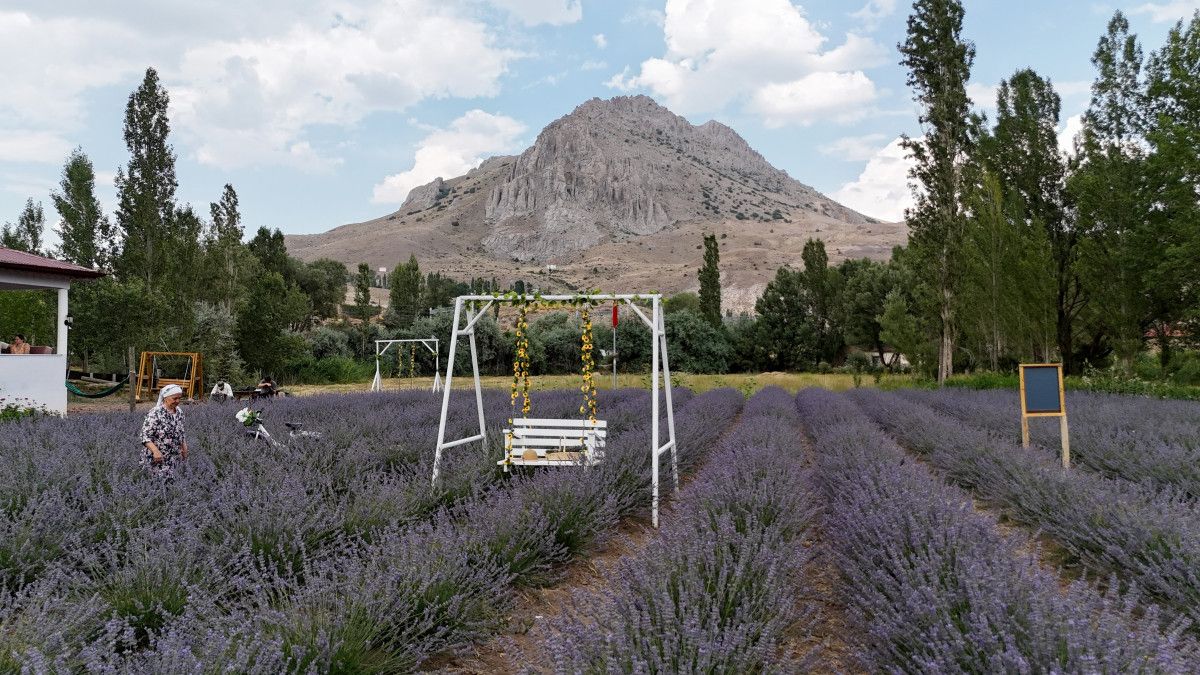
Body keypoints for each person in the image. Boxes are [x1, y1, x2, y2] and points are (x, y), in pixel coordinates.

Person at [140, 383, 188, 479]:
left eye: (179, 398)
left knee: (172, 484)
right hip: (157, 458)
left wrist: (184, 446)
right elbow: (145, 436)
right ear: (165, 398)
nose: (177, 401)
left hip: (174, 456)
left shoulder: (179, 412)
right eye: (174, 398)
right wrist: (155, 451)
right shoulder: (155, 413)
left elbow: (181, 431)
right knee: (156, 485)